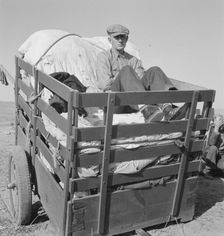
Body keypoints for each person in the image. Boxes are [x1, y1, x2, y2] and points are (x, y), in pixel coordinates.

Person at [96, 24, 188, 123]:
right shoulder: (104, 57)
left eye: (122, 37)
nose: (120, 40)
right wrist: (123, 77)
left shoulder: (133, 60)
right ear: (110, 40)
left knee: (154, 70)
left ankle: (167, 109)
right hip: (116, 102)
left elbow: (141, 82)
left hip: (133, 102)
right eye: (116, 37)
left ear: (126, 39)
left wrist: (134, 81)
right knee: (126, 70)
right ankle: (146, 110)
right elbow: (104, 84)